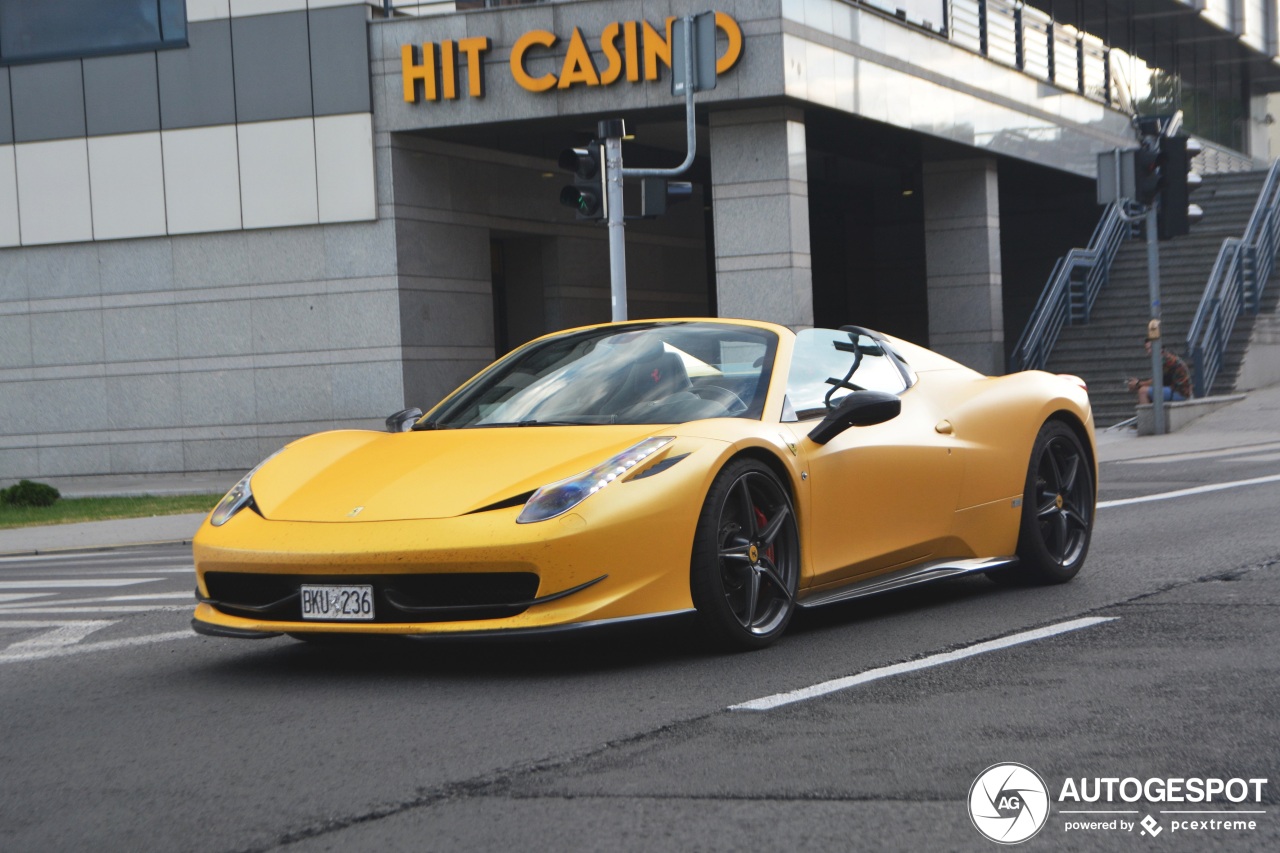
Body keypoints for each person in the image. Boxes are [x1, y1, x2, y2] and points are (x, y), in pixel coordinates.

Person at [1126, 340, 1192, 404]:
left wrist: (1138, 384)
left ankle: (1147, 415)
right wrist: (1139, 384)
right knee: (1145, 390)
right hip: (1179, 390)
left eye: (1151, 348)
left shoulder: (1165, 359)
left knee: (1142, 392)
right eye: (1147, 349)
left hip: (1180, 392)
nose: (1149, 351)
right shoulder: (1165, 356)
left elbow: (1156, 381)